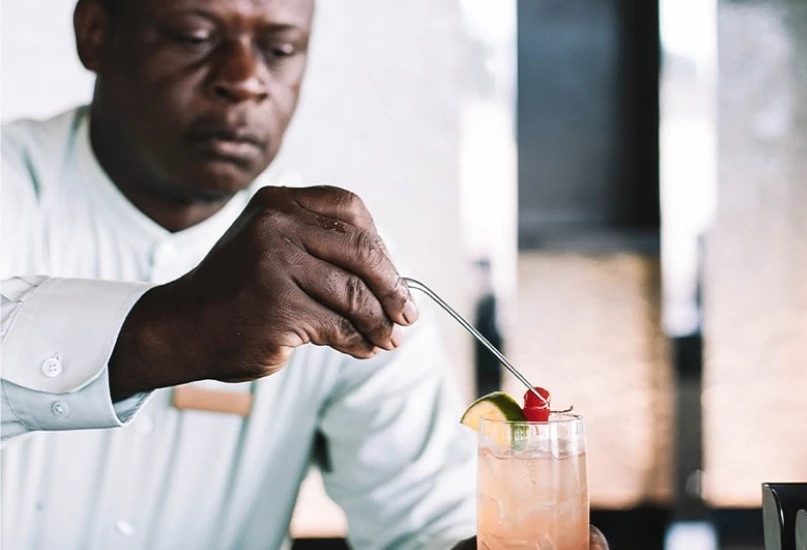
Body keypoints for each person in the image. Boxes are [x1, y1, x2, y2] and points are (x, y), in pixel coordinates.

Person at [0, 0, 608, 548]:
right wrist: (174, 330)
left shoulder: (337, 264)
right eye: (193, 36)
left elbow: (422, 518)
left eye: (280, 49)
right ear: (96, 31)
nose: (243, 80)